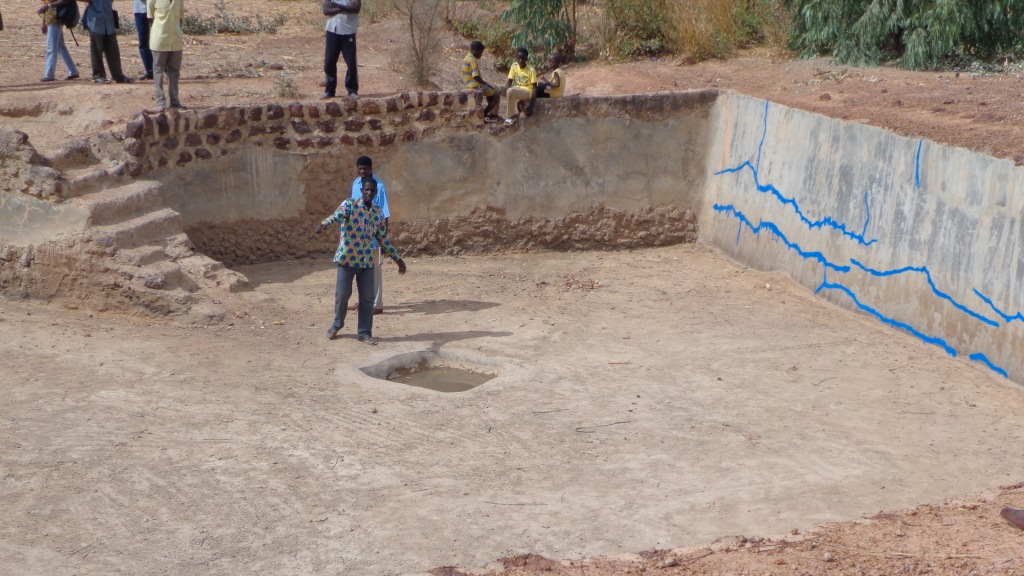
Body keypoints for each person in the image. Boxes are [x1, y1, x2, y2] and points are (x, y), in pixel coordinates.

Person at [315, 177, 407, 345]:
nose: (369, 193)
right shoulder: (350, 205)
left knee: (367, 298)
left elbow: (383, 239)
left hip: (366, 262)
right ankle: (336, 325)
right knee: (342, 295)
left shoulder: (377, 213)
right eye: (366, 190)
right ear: (362, 191)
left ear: (375, 193)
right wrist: (324, 224)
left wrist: (397, 258)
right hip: (348, 259)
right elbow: (336, 216)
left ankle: (364, 333)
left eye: (372, 191)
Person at [345, 156, 389, 315]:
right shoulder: (356, 184)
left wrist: (383, 240)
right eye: (360, 168)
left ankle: (377, 305)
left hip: (374, 236)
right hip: (357, 237)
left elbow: (385, 214)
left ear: (371, 169)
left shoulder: (380, 187)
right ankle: (363, 300)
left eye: (366, 169)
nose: (363, 171)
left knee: (375, 271)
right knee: (361, 270)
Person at [81, 0, 132, 84]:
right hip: (95, 20)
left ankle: (118, 76)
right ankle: (99, 76)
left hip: (109, 20)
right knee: (96, 51)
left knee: (113, 50)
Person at [147, 0, 184, 110]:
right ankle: (160, 101)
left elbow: (180, 18)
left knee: (175, 72)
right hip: (159, 40)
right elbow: (150, 17)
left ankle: (175, 102)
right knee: (158, 70)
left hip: (175, 40)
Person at [321, 0, 360, 100]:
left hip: (348, 31)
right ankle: (329, 91)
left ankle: (352, 90)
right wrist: (344, 8)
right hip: (332, 30)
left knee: (351, 63)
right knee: (329, 62)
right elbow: (326, 10)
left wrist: (336, 6)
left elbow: (355, 9)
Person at [37, 0, 80, 82]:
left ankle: (49, 74)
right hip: (52, 17)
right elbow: (46, 5)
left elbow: (49, 5)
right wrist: (44, 23)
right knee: (60, 47)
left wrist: (49, 6)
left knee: (52, 47)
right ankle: (73, 71)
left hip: (56, 17)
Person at [461, 40, 500, 123]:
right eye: (480, 52)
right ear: (475, 50)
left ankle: (488, 114)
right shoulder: (472, 60)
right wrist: (485, 84)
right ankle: (485, 114)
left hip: (469, 84)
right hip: (475, 85)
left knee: (491, 93)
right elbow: (476, 76)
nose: (481, 55)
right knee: (495, 95)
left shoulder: (466, 58)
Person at [504, 46, 536, 126]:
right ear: (516, 58)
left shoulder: (531, 70)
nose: (521, 60)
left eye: (523, 58)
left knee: (511, 91)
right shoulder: (514, 66)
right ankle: (493, 114)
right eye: (519, 58)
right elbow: (509, 82)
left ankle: (510, 117)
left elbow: (535, 88)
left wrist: (532, 105)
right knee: (496, 89)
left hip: (527, 92)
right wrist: (505, 89)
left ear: (526, 59)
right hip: (517, 89)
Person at [133, 0, 153, 80]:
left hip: (155, 9)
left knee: (160, 40)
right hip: (139, 11)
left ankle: (166, 69)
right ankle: (150, 71)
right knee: (143, 42)